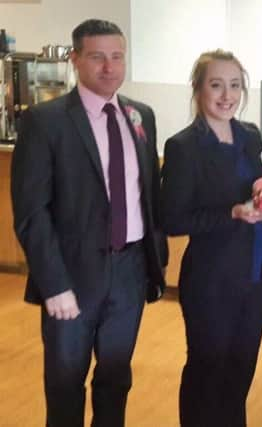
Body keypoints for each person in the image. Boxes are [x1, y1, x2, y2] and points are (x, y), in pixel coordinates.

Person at [11, 19, 168, 427]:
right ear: (75, 58)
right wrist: (54, 283)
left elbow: (148, 193)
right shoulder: (45, 121)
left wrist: (155, 261)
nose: (109, 67)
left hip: (130, 271)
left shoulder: (141, 116)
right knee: (65, 385)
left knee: (116, 379)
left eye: (117, 56)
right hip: (72, 276)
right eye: (97, 56)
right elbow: (31, 212)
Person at [160, 49, 262, 427]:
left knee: (241, 369)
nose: (226, 94)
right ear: (198, 90)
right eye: (216, 85)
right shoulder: (183, 146)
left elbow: (261, 186)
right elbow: (172, 219)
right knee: (207, 368)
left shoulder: (249, 134)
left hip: (259, 273)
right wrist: (230, 213)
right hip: (211, 280)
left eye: (234, 85)